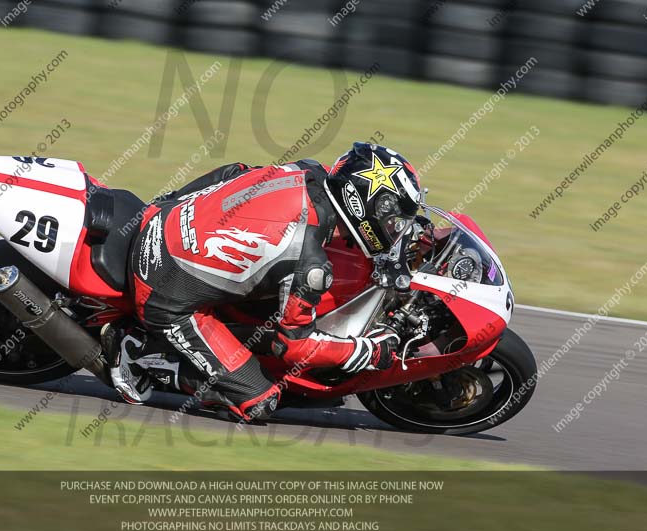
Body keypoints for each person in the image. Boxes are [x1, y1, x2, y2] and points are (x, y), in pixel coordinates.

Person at [105, 142, 423, 421]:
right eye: (391, 221)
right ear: (360, 206)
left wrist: (170, 202)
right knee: (261, 401)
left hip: (161, 217)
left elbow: (234, 171)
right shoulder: (310, 263)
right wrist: (367, 351)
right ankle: (141, 354)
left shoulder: (307, 171)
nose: (393, 229)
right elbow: (294, 346)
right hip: (161, 292)